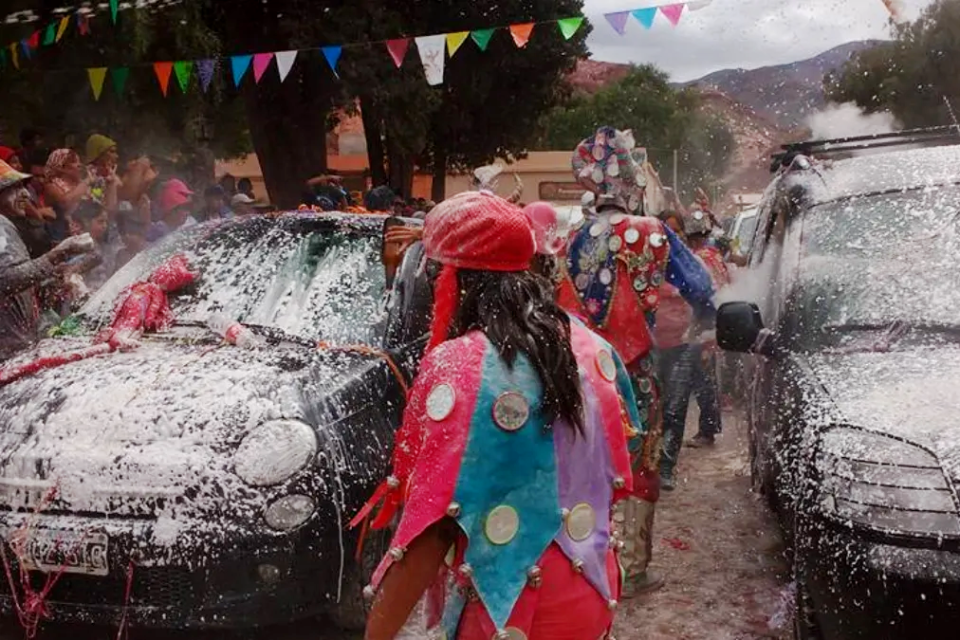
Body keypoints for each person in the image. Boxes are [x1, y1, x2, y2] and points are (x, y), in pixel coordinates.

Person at [360, 191, 636, 640]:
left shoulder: (459, 365)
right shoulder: (592, 347)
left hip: (509, 607)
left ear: (451, 281)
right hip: (591, 590)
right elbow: (625, 461)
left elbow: (434, 530)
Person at [559, 126, 716, 598]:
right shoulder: (650, 233)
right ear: (631, 184)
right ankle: (632, 568)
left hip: (581, 373)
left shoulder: (572, 238)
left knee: (586, 461)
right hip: (635, 373)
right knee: (639, 463)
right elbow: (701, 285)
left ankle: (586, 564)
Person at [0, 159, 96, 360]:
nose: (25, 194)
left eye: (23, 187)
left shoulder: (7, 224)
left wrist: (52, 280)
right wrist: (56, 255)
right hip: (7, 352)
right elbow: (6, 280)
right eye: (14, 188)